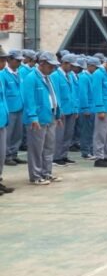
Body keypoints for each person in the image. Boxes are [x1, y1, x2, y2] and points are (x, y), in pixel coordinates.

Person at [22, 52, 63, 185]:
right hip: (38, 119)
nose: (52, 68)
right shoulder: (31, 78)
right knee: (36, 149)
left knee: (49, 147)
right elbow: (29, 100)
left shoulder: (48, 77)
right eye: (50, 66)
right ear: (42, 63)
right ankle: (36, 175)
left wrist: (57, 114)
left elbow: (53, 96)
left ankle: (47, 173)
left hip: (50, 115)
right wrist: (33, 117)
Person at [52, 54, 79, 167]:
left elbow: (74, 93)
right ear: (64, 63)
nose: (72, 68)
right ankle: (56, 157)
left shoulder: (70, 75)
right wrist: (59, 110)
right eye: (71, 65)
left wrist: (76, 108)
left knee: (68, 134)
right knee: (59, 135)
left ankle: (63, 155)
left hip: (71, 109)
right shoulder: (55, 76)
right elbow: (56, 94)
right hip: (62, 110)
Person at [2, 50, 26, 166]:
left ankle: (14, 154)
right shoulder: (3, 74)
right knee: (8, 135)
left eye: (20, 61)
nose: (19, 63)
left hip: (20, 107)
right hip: (10, 109)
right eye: (17, 61)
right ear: (9, 60)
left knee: (18, 134)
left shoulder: (19, 73)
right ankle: (6, 156)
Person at [77, 57, 99, 160]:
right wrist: (85, 108)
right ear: (90, 66)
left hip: (93, 108)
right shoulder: (84, 77)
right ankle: (85, 151)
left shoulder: (92, 76)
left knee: (91, 131)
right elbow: (83, 94)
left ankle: (91, 149)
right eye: (95, 67)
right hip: (87, 109)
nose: (96, 69)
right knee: (86, 131)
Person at [0, 47, 13, 195]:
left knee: (1, 154)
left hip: (2, 120)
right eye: (1, 60)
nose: (4, 63)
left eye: (4, 60)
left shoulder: (1, 76)